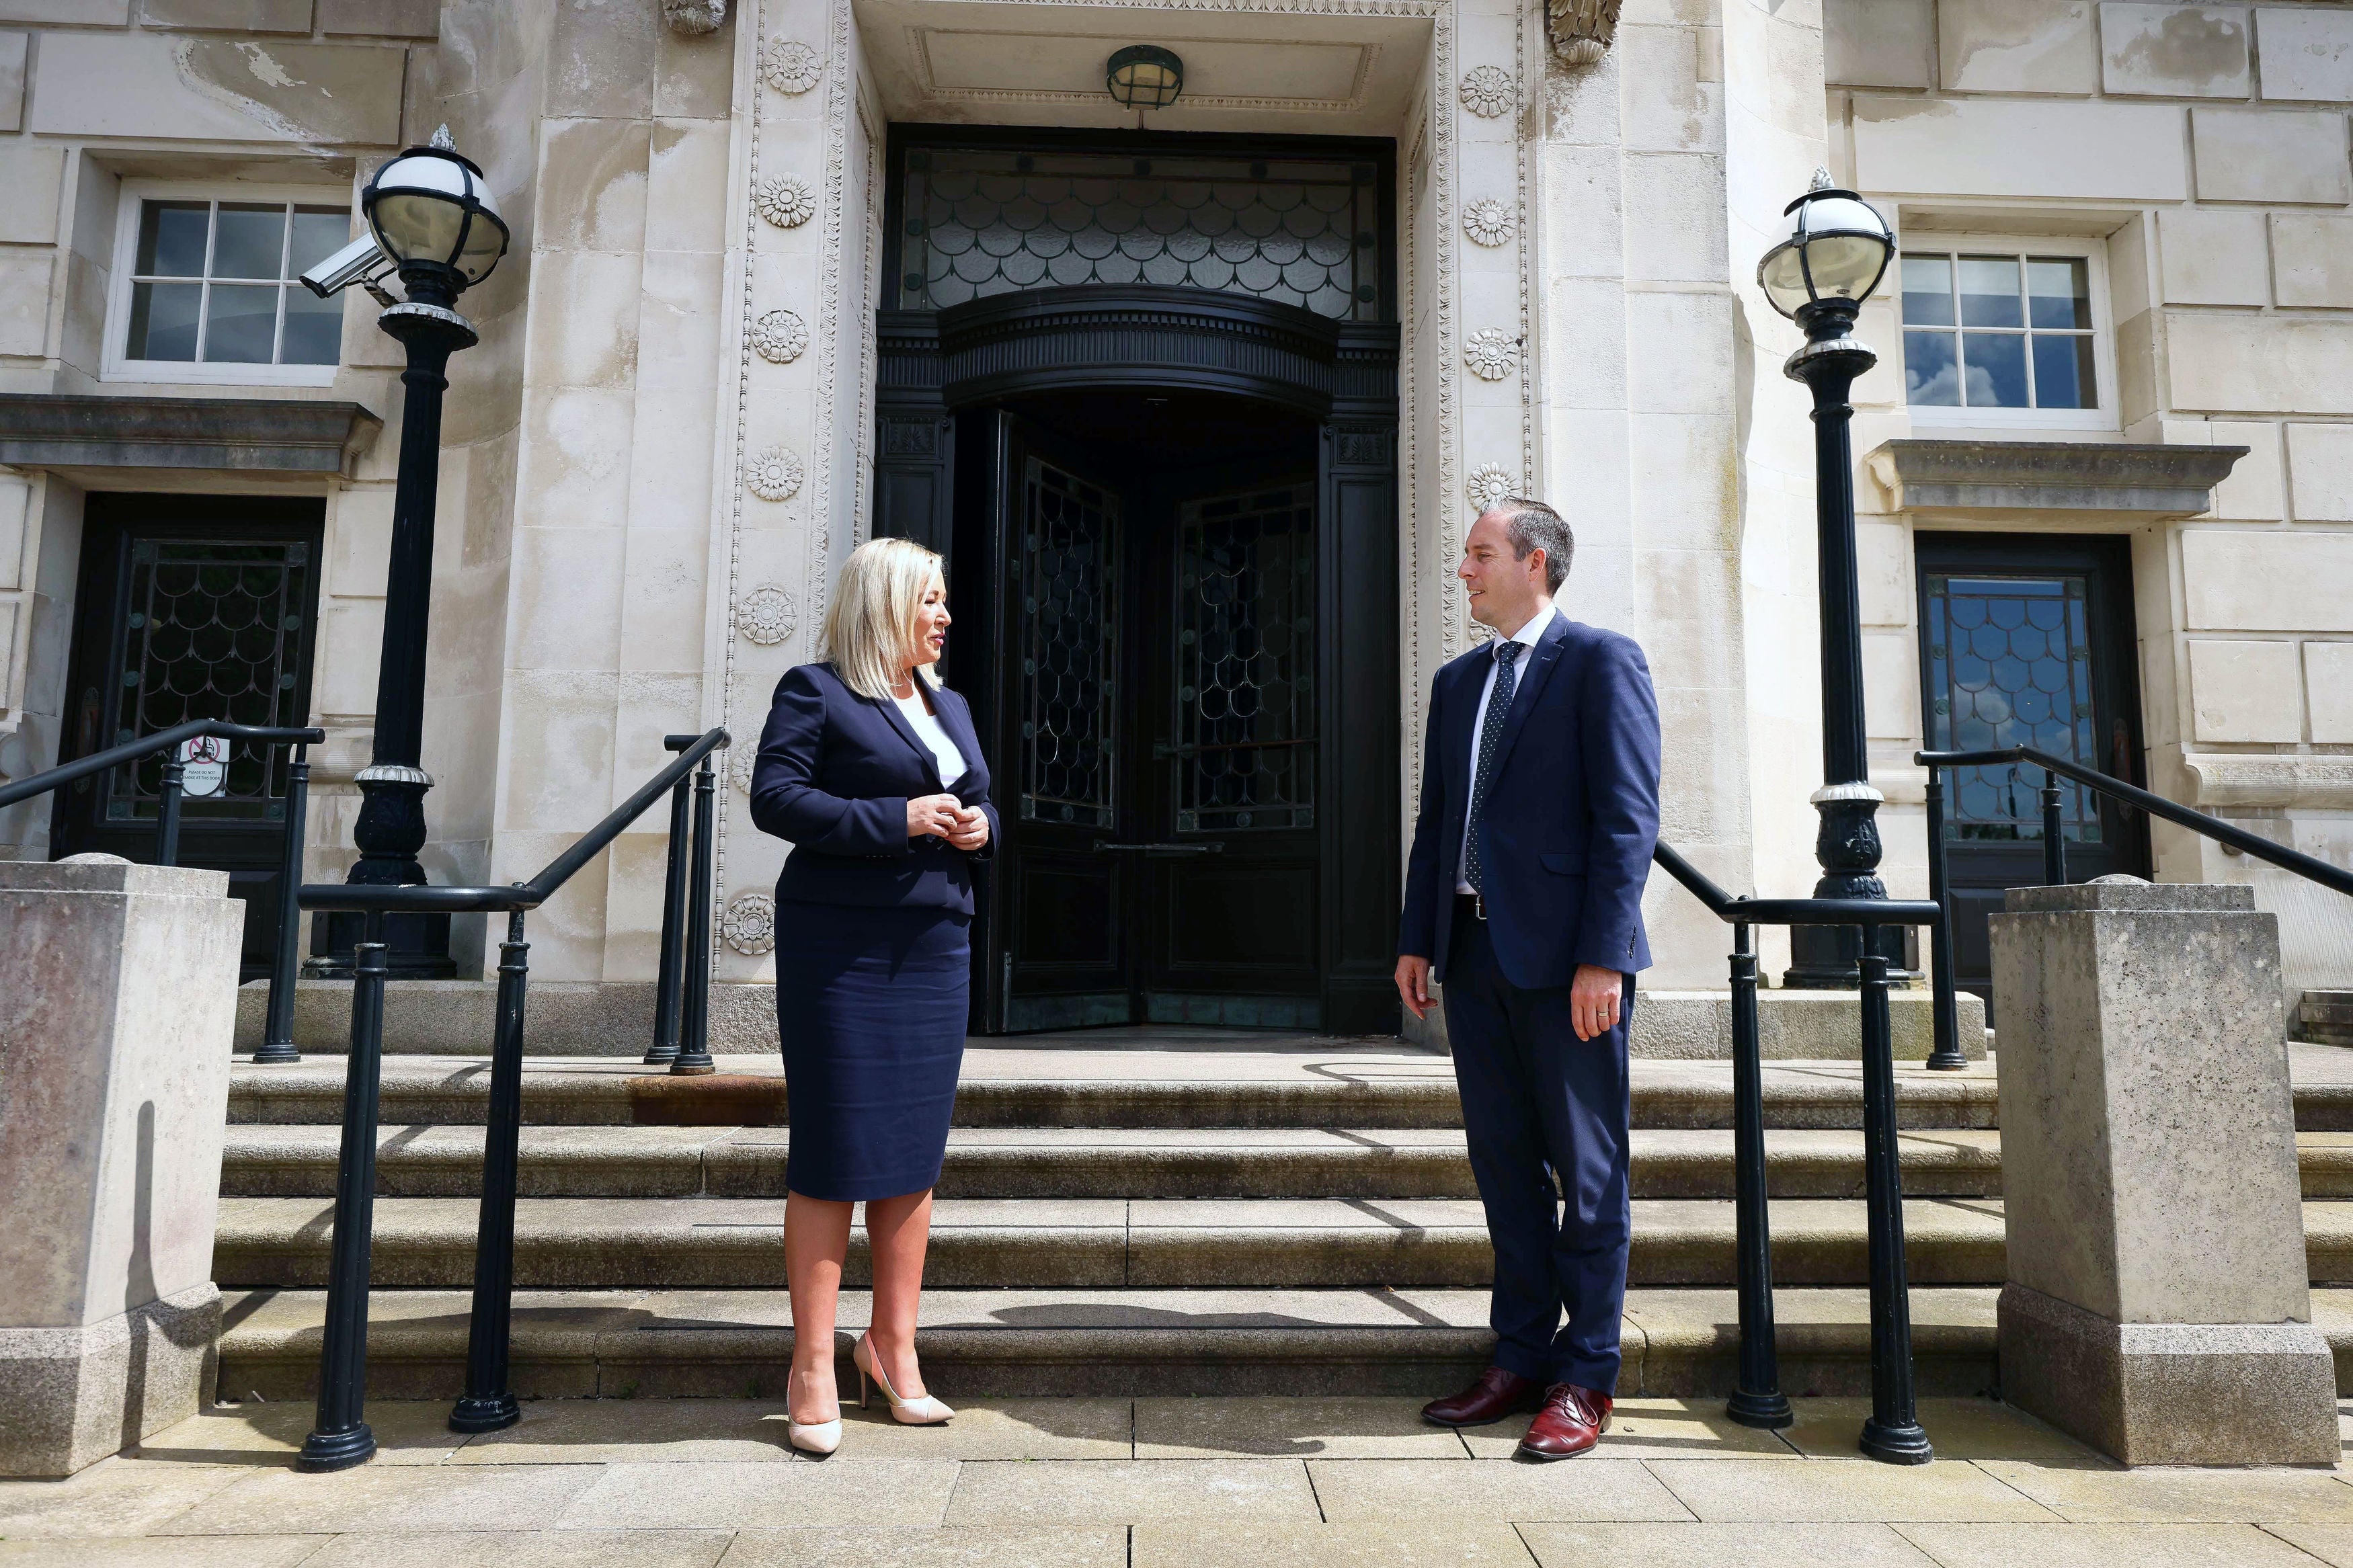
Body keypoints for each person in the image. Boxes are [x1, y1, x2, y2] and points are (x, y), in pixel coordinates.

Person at [1394, 497, 1661, 1461]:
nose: (1463, 571)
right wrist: (1417, 937)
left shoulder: (1600, 662)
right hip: (1470, 957)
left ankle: (1585, 1375)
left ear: (1535, 561)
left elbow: (1627, 822)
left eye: (1479, 554)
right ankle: (1517, 1355)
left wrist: (1606, 953)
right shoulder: (1458, 681)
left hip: (1567, 968)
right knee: (1504, 1168)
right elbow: (1438, 824)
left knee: (1588, 1177)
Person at [746, 536, 996, 1456]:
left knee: (910, 1154)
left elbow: (981, 796)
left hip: (935, 944)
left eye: (944, 601)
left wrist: (977, 824)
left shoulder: (951, 704)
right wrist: (897, 818)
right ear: (885, 604)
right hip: (841, 951)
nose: (944, 616)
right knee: (833, 1148)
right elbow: (775, 797)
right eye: (929, 600)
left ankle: (892, 1347)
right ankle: (813, 1361)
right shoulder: (816, 691)